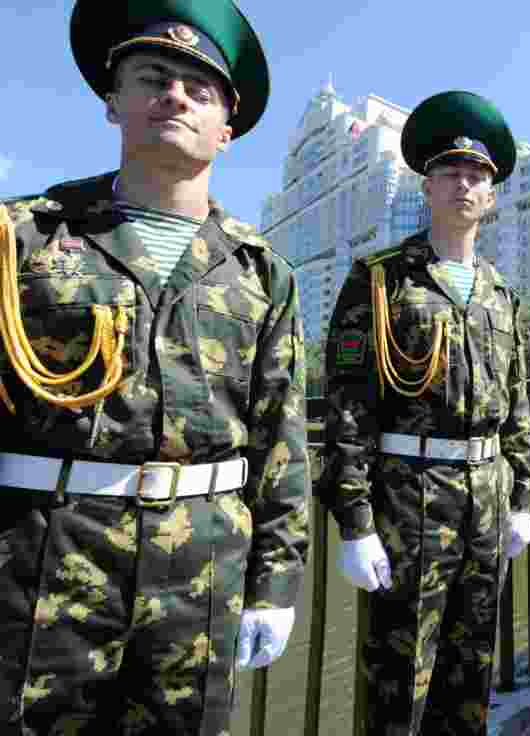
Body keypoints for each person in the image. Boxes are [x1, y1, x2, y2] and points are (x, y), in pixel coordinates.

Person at [0, 2, 309, 732]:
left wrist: (277, 582)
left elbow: (280, 442)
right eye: (153, 76)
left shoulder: (262, 272)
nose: (175, 95)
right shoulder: (25, 235)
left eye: (200, 89)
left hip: (203, 572)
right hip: (43, 560)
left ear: (226, 130)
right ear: (114, 103)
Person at [317, 90, 530, 736]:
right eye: (451, 172)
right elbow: (348, 407)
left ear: (491, 195)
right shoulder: (381, 279)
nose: (465, 184)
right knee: (398, 682)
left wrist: (522, 496)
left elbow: (516, 405)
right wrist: (355, 520)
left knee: (470, 677)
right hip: (410, 503)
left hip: (487, 502)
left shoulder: (500, 292)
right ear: (427, 185)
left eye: (479, 176)